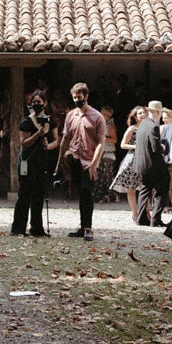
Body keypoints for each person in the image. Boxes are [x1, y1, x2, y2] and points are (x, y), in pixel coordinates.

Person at [61, 82, 107, 241]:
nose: (76, 100)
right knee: (80, 193)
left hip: (89, 161)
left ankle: (88, 228)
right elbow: (66, 138)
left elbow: (101, 142)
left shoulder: (97, 116)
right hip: (74, 159)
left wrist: (95, 164)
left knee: (87, 193)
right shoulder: (70, 116)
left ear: (86, 97)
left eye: (79, 97)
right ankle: (82, 226)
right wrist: (60, 161)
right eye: (74, 98)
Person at [11, 91, 58, 237]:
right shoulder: (26, 122)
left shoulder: (51, 121)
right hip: (27, 162)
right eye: (34, 102)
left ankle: (37, 228)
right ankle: (18, 228)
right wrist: (39, 134)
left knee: (39, 195)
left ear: (45, 103)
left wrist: (48, 146)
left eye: (39, 102)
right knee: (24, 195)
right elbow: (24, 143)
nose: (37, 104)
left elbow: (56, 140)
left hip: (42, 162)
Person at [131, 101, 169, 227]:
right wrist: (163, 147)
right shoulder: (153, 126)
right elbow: (155, 148)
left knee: (144, 189)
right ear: (158, 112)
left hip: (142, 164)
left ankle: (141, 219)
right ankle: (155, 220)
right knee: (162, 189)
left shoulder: (142, 124)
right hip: (153, 164)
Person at [109, 105, 145, 221]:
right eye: (140, 113)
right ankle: (135, 214)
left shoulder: (149, 128)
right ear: (135, 116)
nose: (143, 115)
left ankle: (146, 214)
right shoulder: (132, 129)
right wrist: (136, 146)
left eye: (144, 113)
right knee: (131, 188)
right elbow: (122, 144)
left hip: (145, 159)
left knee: (145, 187)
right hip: (132, 159)